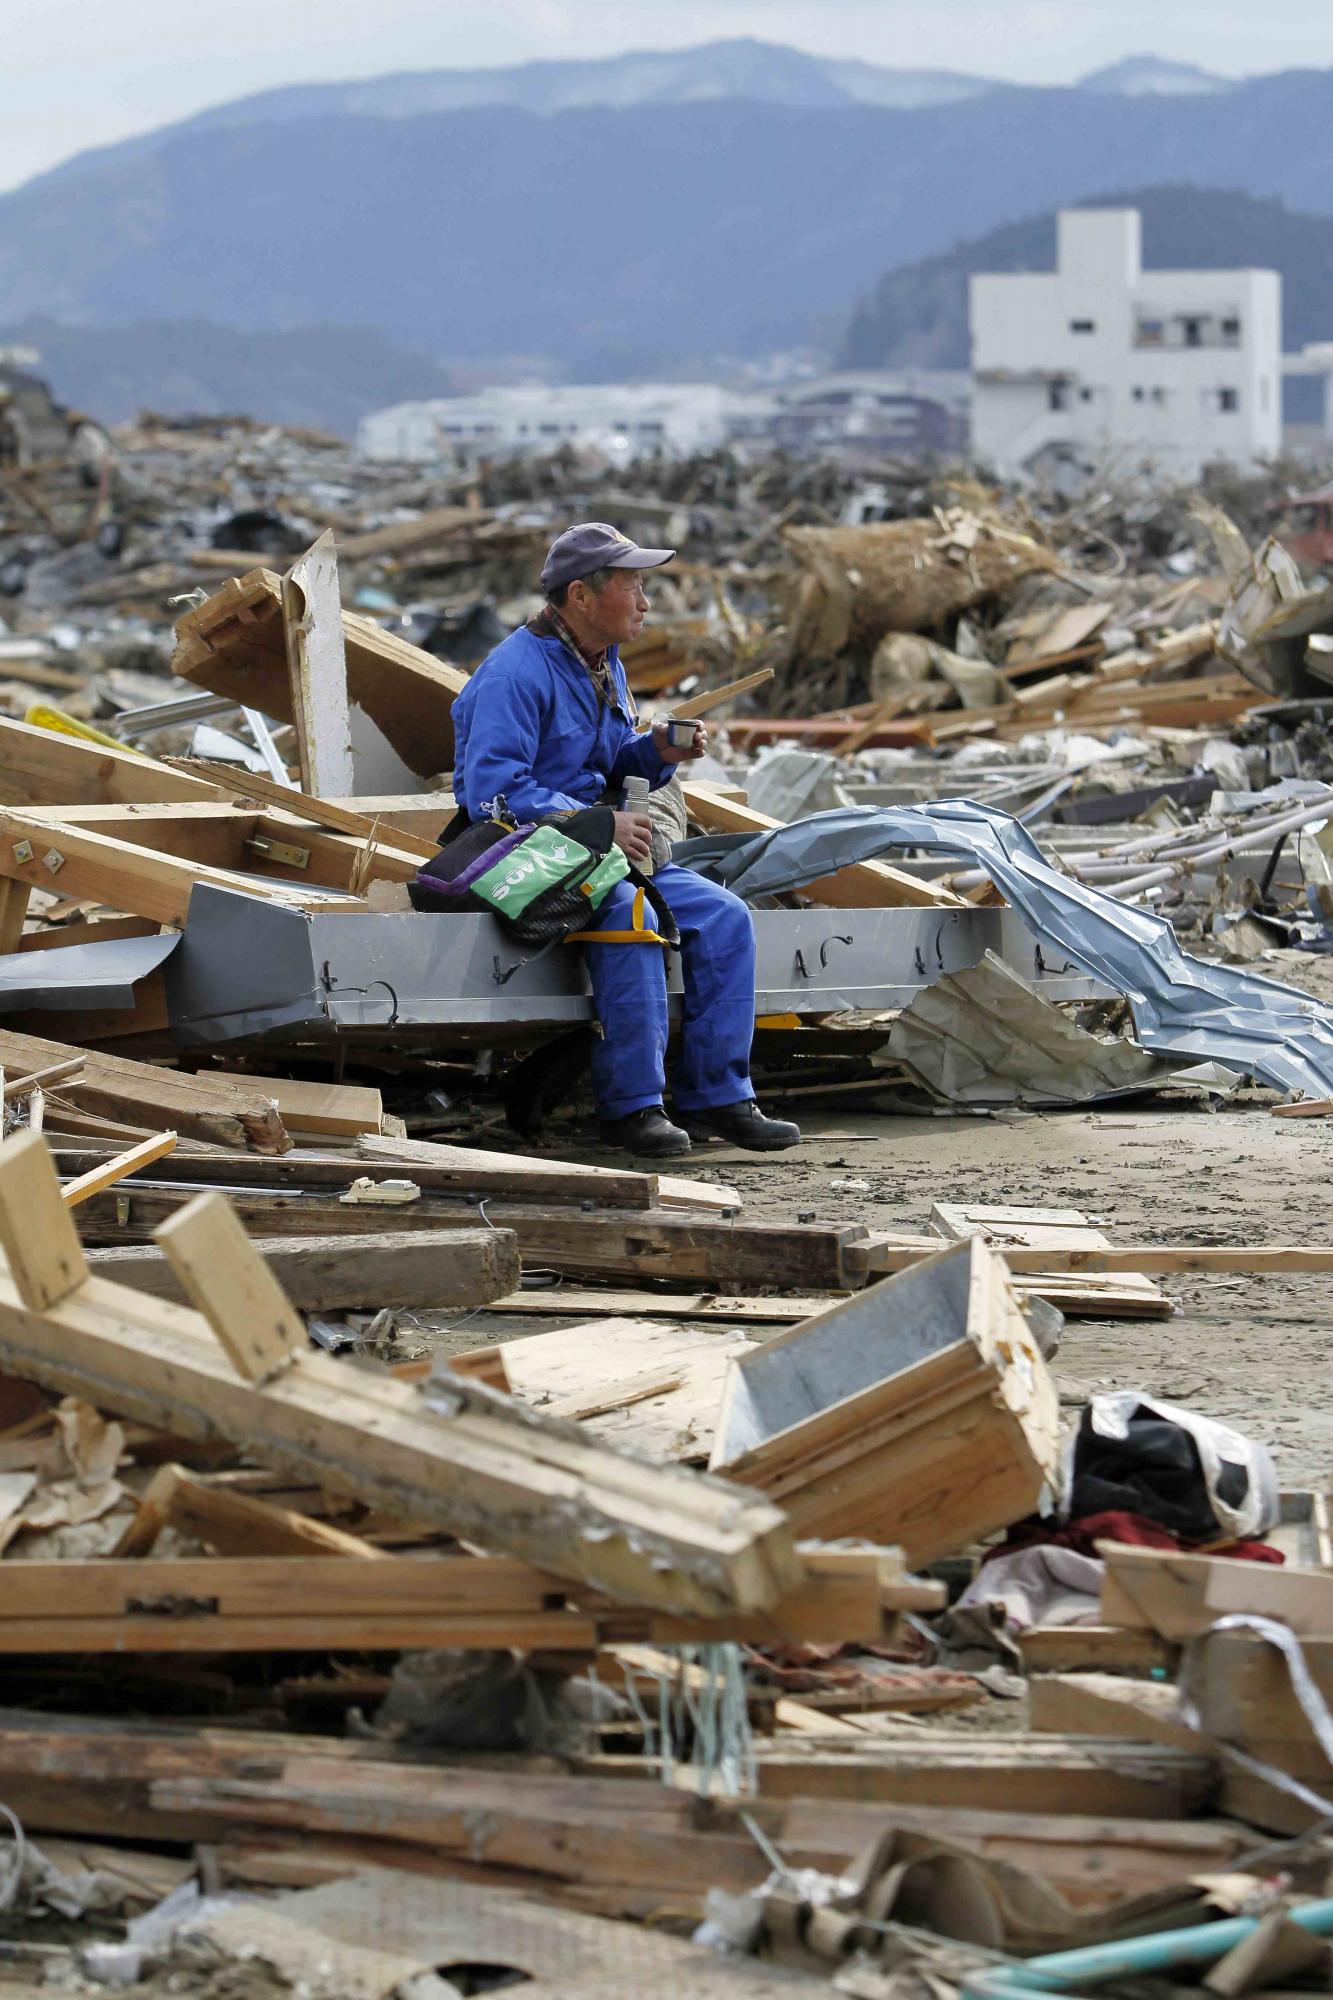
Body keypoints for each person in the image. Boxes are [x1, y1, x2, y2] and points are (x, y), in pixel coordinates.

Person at [449, 521, 800, 1159]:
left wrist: (658, 752)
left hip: (600, 849)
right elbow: (491, 796)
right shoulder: (512, 675)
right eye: (633, 586)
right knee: (629, 913)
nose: (645, 602)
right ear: (581, 596)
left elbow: (609, 765)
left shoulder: (600, 658)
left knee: (724, 917)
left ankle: (720, 1095)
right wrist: (596, 823)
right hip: (531, 856)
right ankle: (633, 1108)